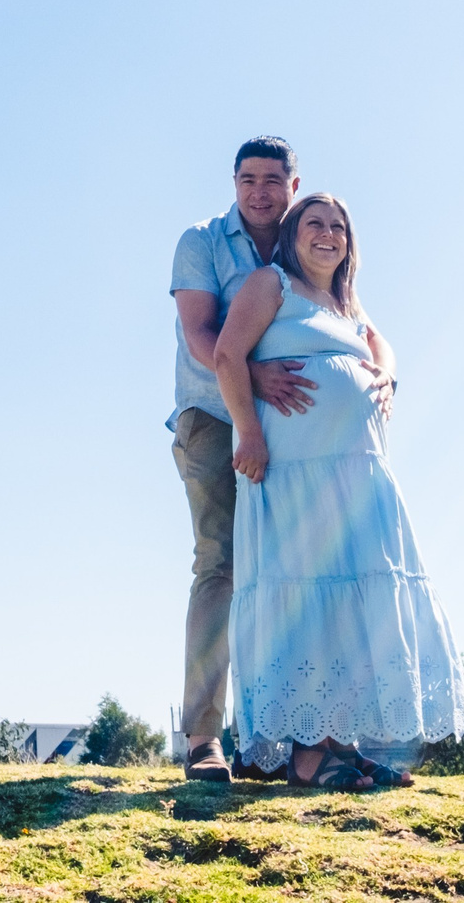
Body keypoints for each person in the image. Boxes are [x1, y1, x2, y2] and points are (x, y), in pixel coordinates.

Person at [212, 194, 464, 787]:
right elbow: (227, 354)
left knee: (352, 600)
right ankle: (307, 757)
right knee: (306, 598)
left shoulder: (345, 302)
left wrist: (384, 372)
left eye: (338, 226)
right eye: (314, 224)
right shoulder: (269, 284)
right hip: (294, 474)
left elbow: (383, 345)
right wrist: (248, 433)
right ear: (292, 236)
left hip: (355, 477)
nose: (327, 234)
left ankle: (343, 743)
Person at [167, 137, 324, 784]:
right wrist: (251, 376)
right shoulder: (201, 241)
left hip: (288, 427)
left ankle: (277, 741)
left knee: (290, 576)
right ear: (233, 182)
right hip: (212, 417)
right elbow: (201, 333)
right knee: (221, 565)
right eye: (247, 178)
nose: (260, 190)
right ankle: (204, 737)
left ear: (293, 182)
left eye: (272, 178)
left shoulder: (305, 239)